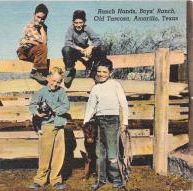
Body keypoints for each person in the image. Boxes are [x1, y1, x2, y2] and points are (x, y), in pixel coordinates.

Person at [83, 58, 129, 191]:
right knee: (99, 152)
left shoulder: (115, 85)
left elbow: (123, 104)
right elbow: (90, 107)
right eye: (99, 71)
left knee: (112, 153)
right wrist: (86, 122)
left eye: (104, 71)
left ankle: (116, 178)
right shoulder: (96, 88)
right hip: (98, 121)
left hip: (112, 121)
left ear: (110, 72)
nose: (101, 74)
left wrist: (124, 122)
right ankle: (100, 179)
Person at [28, 67, 70, 190]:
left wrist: (57, 111)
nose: (55, 84)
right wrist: (37, 113)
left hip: (59, 126)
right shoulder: (41, 92)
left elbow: (66, 105)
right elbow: (32, 105)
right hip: (46, 125)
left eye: (58, 82)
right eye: (53, 81)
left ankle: (56, 179)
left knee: (58, 154)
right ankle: (40, 180)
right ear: (48, 78)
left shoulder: (61, 92)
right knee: (45, 154)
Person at [62, 10, 107, 88]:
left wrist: (90, 47)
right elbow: (68, 43)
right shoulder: (70, 29)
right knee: (66, 49)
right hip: (76, 51)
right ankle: (70, 71)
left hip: (86, 49)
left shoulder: (87, 28)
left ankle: (95, 70)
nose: (78, 25)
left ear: (84, 22)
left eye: (81, 22)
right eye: (76, 23)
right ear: (73, 22)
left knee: (102, 48)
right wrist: (80, 49)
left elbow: (97, 40)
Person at [17, 4, 49, 85]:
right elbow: (42, 43)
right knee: (42, 47)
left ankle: (39, 72)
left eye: (43, 18)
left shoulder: (43, 27)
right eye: (38, 17)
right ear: (34, 15)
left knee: (43, 48)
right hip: (24, 51)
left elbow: (44, 42)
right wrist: (29, 42)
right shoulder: (31, 26)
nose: (40, 20)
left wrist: (42, 29)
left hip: (35, 52)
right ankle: (34, 72)